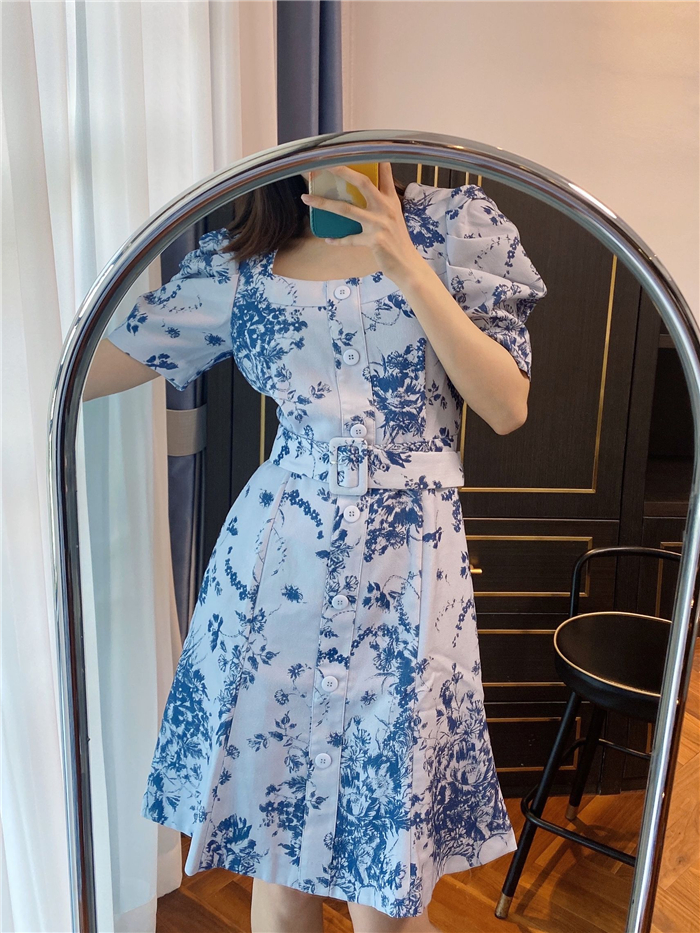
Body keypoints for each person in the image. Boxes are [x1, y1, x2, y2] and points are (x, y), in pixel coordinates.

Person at [84, 163, 547, 933]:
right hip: (277, 575)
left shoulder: (455, 227)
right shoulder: (244, 257)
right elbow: (93, 362)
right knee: (281, 867)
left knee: (387, 893)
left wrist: (403, 260)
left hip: (409, 581)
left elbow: (505, 404)